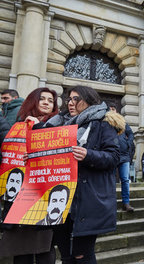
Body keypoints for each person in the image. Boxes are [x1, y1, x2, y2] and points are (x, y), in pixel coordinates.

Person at [43, 85, 121, 263]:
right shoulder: (58, 124)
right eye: (69, 99)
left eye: (76, 99)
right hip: (61, 198)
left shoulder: (103, 123)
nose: (71, 103)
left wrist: (88, 155)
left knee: (82, 254)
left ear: (89, 100)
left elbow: (114, 157)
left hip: (87, 199)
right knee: (66, 254)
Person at [0, 87, 59, 264]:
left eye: (51, 100)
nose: (47, 102)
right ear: (34, 100)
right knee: (21, 252)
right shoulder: (17, 126)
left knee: (44, 251)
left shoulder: (60, 124)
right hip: (19, 196)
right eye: (42, 99)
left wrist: (39, 127)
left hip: (44, 197)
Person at [109, 103, 135, 212]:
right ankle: (110, 203)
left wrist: (128, 143)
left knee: (125, 180)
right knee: (110, 180)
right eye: (110, 109)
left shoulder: (123, 122)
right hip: (112, 155)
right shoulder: (106, 123)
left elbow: (131, 134)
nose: (112, 111)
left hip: (124, 156)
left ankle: (126, 203)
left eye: (113, 109)